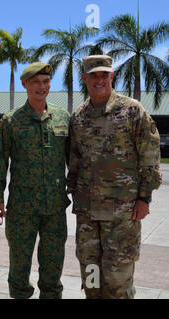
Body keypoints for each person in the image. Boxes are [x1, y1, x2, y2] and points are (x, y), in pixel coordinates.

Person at [68, 55, 162, 299]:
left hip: (123, 214)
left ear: (111, 76)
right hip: (88, 215)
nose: (98, 80)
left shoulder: (132, 111)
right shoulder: (79, 117)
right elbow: (75, 161)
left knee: (117, 282)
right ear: (84, 78)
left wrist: (145, 198)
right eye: (93, 75)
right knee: (91, 278)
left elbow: (150, 155)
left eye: (103, 75)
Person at [0, 62, 71, 299]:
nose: (41, 87)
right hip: (22, 209)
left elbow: (74, 161)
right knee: (19, 268)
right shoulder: (11, 121)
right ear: (25, 84)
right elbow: (0, 162)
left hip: (55, 209)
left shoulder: (62, 117)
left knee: (53, 269)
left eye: (46, 81)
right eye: (35, 82)